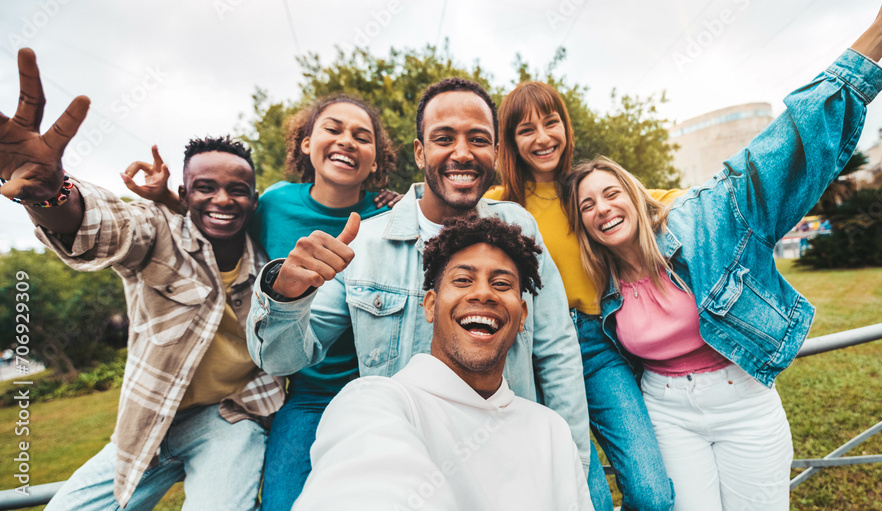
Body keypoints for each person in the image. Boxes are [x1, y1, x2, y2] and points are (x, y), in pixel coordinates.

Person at [562, 1, 882, 509]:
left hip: (741, 401)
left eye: (611, 193)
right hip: (667, 412)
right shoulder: (601, 284)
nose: (602, 209)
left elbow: (786, 145)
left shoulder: (703, 219)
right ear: (584, 226)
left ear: (634, 195)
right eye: (587, 205)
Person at [247, 78, 592, 476]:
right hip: (407, 463)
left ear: (496, 153)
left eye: (478, 139)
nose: (462, 153)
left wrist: (573, 464)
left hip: (507, 460)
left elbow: (557, 352)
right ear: (419, 151)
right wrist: (286, 296)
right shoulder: (366, 246)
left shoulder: (519, 227)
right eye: (444, 138)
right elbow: (281, 359)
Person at [0, 48, 284, 510]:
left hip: (232, 416)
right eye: (206, 188)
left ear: (254, 200)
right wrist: (51, 192)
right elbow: (101, 226)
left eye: (238, 190)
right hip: (152, 417)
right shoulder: (156, 230)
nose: (222, 200)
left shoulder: (270, 261)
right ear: (184, 194)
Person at [126, 93, 401, 510]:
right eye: (334, 129)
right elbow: (216, 226)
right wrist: (169, 199)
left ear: (376, 160)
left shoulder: (389, 219)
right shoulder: (273, 203)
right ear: (306, 143)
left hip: (377, 387)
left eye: (362, 137)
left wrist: (402, 204)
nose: (347, 140)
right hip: (305, 391)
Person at [294, 216, 592, 511]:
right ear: (431, 306)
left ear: (523, 315)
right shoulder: (376, 401)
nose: (484, 293)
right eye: (463, 280)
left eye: (501, 284)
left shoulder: (552, 430)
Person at [483, 81, 680, 509]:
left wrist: (700, 196)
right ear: (510, 143)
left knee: (653, 495)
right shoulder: (497, 203)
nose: (542, 138)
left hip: (598, 346)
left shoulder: (585, 191)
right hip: (533, 355)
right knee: (583, 498)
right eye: (526, 129)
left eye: (551, 123)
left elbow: (653, 200)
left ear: (566, 127)